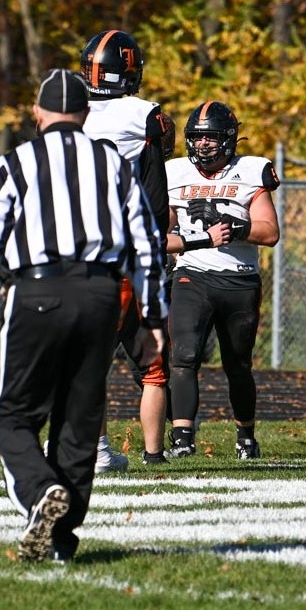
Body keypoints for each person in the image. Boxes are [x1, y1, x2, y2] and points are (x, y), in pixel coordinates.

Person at [0, 69, 168, 562]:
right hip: (102, 295)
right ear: (84, 115)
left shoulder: (17, 159)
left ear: (37, 113)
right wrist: (154, 318)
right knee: (78, 423)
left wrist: (17, 279)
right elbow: (145, 242)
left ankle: (39, 492)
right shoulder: (111, 162)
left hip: (37, 288)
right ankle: (62, 540)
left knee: (14, 417)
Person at [80, 29, 176, 469]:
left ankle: (96, 449)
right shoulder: (142, 113)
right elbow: (156, 185)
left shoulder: (69, 111)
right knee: (151, 360)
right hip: (130, 251)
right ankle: (148, 454)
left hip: (81, 250)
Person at [164, 101, 280, 460]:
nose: (203, 145)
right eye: (197, 138)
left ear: (228, 139)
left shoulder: (251, 171)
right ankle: (182, 437)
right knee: (183, 355)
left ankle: (246, 435)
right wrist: (187, 244)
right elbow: (160, 233)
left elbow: (270, 231)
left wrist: (232, 224)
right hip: (192, 274)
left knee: (237, 365)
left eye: (211, 137)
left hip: (239, 281)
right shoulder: (174, 173)